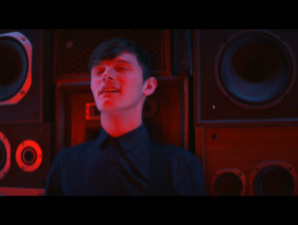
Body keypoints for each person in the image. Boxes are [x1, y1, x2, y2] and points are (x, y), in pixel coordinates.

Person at [45, 37, 206, 195]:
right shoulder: (65, 163)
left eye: (121, 68)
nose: (106, 75)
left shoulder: (182, 166)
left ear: (148, 85)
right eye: (99, 71)